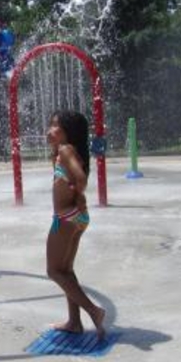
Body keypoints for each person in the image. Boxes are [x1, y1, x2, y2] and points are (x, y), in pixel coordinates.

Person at [45, 110, 105, 340]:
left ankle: (94, 311)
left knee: (53, 271)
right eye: (49, 125)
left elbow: (80, 178)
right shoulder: (64, 152)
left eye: (55, 126)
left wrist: (78, 194)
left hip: (66, 218)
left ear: (68, 132)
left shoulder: (65, 149)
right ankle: (74, 322)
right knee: (66, 271)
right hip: (77, 218)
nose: (49, 130)